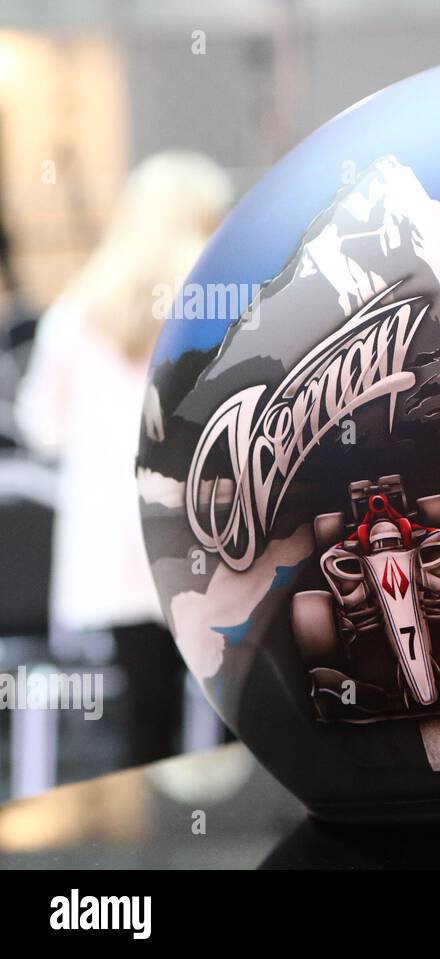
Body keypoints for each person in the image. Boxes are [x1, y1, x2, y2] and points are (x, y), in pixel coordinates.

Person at [16, 151, 232, 765]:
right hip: (210, 538)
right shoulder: (228, 308)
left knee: (145, 717)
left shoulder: (78, 312)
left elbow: (41, 427)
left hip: (118, 547)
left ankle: (149, 848)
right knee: (232, 713)